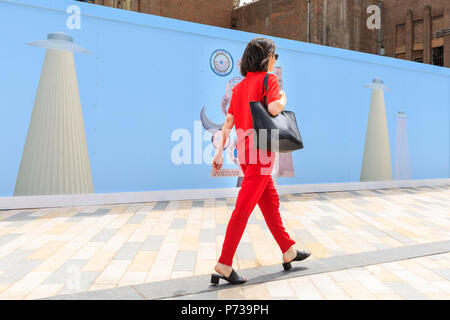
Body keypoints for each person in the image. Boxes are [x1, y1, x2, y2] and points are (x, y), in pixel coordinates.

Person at [210, 37, 311, 286]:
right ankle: (224, 263)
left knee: (270, 201)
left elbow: (228, 123)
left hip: (244, 154)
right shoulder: (269, 80)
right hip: (262, 154)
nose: (275, 60)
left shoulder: (239, 87)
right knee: (243, 209)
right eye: (274, 56)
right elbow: (276, 109)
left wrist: (219, 152)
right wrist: (284, 97)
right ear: (267, 58)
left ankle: (287, 249)